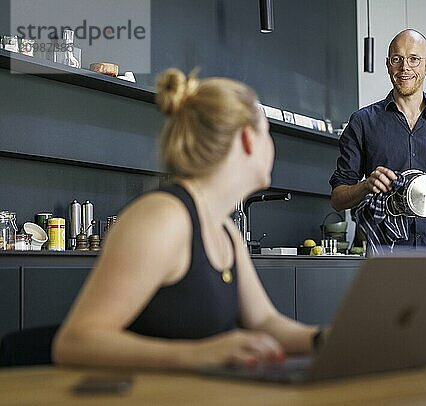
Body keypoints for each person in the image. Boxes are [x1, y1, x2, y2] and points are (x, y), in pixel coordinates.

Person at [53, 69, 319, 369]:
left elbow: (264, 321)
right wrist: (199, 354)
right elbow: (75, 342)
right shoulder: (164, 218)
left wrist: (325, 339)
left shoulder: (225, 230)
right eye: (267, 133)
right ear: (247, 139)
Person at [329, 29, 426, 337]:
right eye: (397, 59)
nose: (405, 67)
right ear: (387, 64)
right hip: (387, 260)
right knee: (391, 355)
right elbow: (338, 196)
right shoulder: (363, 122)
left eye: (413, 59)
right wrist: (366, 185)